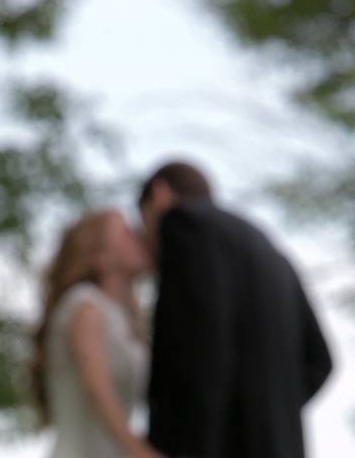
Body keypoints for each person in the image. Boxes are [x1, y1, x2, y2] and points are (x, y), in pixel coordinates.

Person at [139, 161, 333, 458]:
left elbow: (193, 350)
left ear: (160, 194)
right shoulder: (268, 246)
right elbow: (320, 361)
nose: (149, 242)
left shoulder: (181, 224)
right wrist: (267, 418)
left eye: (145, 222)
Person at [32, 209, 162, 458]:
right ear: (101, 256)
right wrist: (142, 453)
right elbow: (96, 391)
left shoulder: (127, 322)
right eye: (125, 231)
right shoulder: (84, 305)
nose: (138, 236)